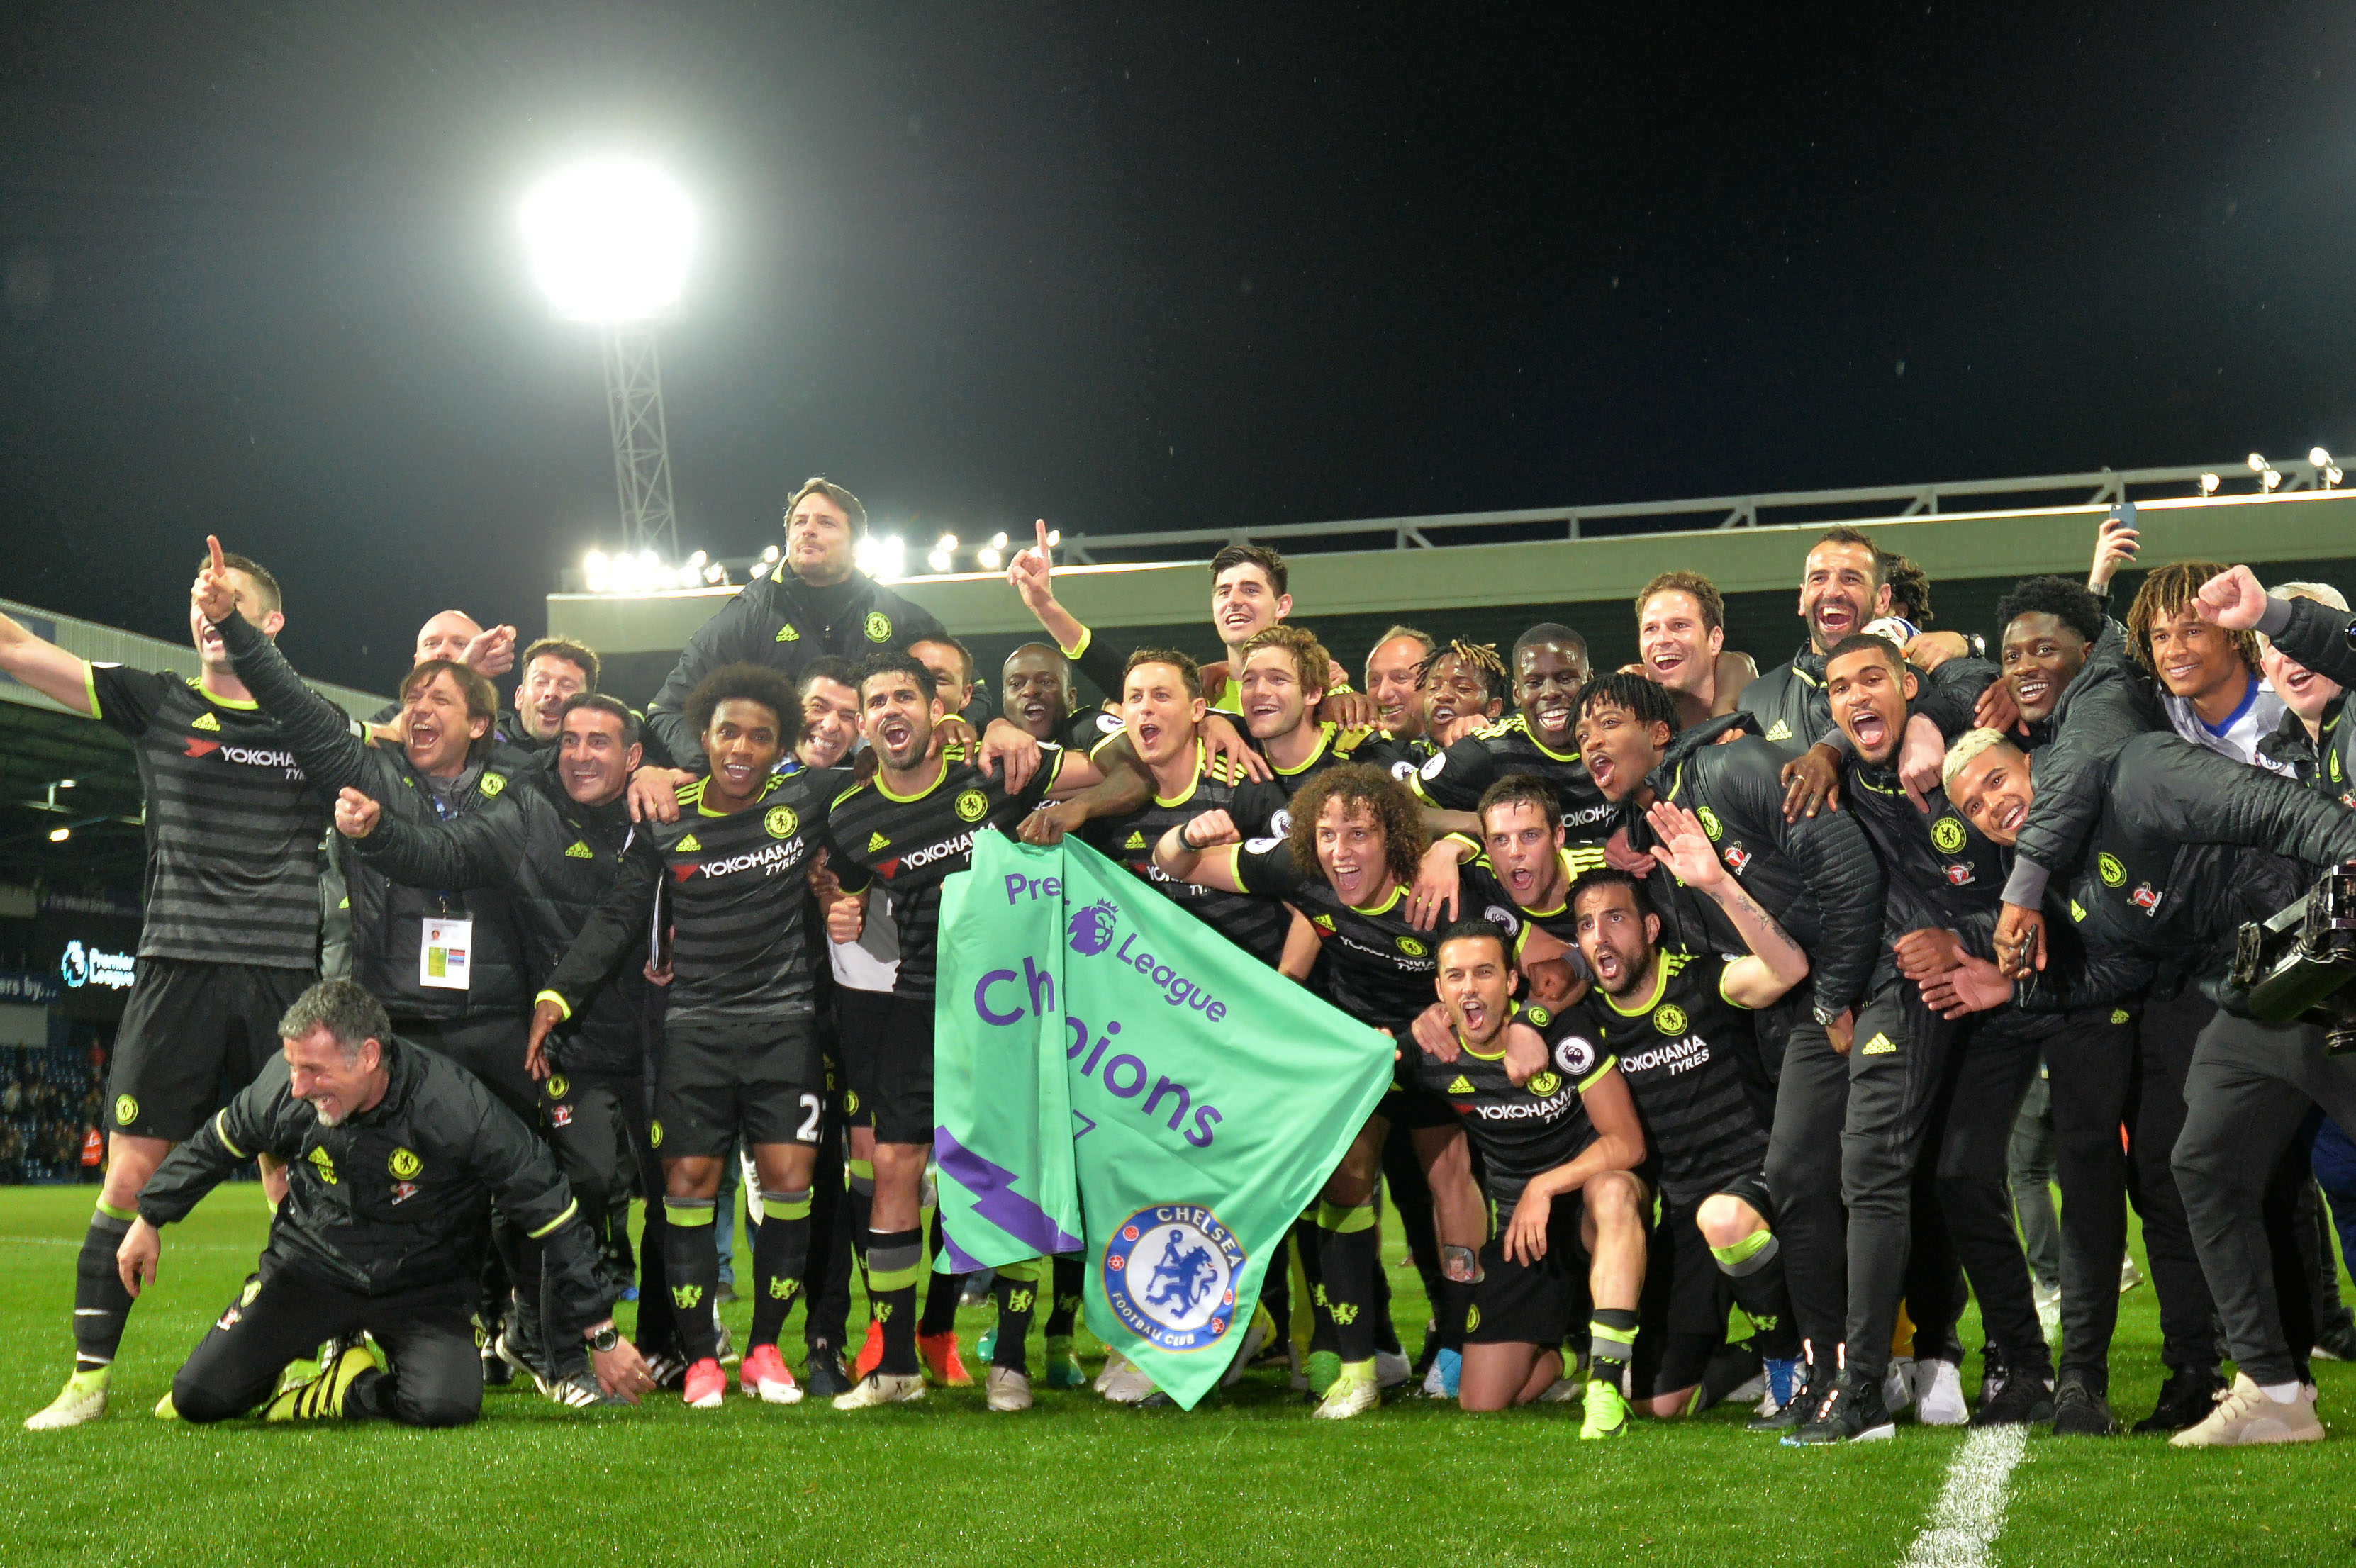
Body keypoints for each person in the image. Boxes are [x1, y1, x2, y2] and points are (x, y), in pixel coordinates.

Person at [1944, 717, 2356, 1446]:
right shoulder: (2067, 883)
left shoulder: (2134, 773)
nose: (1991, 808)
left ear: (2038, 763)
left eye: (1996, 781)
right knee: (2200, 1162)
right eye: (1971, 808)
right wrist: (2007, 991)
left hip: (2319, 957)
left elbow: (2274, 810)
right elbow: (2126, 969)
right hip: (2250, 992)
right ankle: (2273, 1391)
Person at [9, 542, 322, 1430]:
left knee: (296, 1182)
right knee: (130, 1178)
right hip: (176, 976)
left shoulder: (311, 721)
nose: (208, 611)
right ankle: (87, 1379)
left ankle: (315, 1356)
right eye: (198, 598)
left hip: (284, 986)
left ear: (270, 623)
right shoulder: (157, 701)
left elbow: (427, 747)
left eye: (227, 600)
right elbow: (19, 650)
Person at [818, 652, 1146, 1412]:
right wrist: (843, 909)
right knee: (895, 1166)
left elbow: (1125, 767)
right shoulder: (851, 817)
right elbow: (852, 894)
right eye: (877, 701)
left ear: (938, 710)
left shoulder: (993, 772)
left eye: (906, 694)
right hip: (917, 1002)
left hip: (1007, 1009)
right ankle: (895, 1363)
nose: (891, 709)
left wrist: (1059, 790)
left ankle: (1012, 1363)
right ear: (863, 720)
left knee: (1006, 1173)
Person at [327, 691, 675, 1404]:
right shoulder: (525, 808)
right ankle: (550, 1350)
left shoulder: (657, 812)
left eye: (600, 742)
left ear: (634, 756)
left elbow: (622, 915)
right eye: (570, 740)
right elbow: (442, 851)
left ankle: (676, 1346)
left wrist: (672, 774)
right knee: (574, 1188)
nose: (580, 754)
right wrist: (375, 830)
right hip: (562, 1044)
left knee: (675, 1195)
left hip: (655, 1036)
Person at [1573, 670, 1888, 1436]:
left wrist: (1836, 995)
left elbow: (1845, 871)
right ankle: (1826, 1375)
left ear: (1656, 733)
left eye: (1606, 723)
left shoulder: (1728, 766)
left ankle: (1868, 1379)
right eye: (1581, 735)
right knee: (1806, 1186)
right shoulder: (1655, 830)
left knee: (1876, 1185)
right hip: (1803, 1015)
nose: (1589, 742)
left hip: (1853, 996)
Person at [518, 666, 836, 1411]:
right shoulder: (666, 811)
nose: (742, 747)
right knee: (687, 1191)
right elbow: (620, 913)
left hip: (785, 1029)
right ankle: (700, 1361)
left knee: (790, 1186)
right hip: (694, 1032)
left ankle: (764, 1350)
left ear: (778, 746)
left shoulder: (807, 799)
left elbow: (888, 784)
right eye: (728, 731)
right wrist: (556, 995)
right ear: (704, 736)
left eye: (761, 736)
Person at [126, 979, 652, 1426]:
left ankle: (346, 1390)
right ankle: (308, 1352)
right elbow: (217, 1145)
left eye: (314, 1069)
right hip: (311, 1268)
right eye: (292, 1065)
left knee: (446, 1405)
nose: (298, 1085)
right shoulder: (284, 1091)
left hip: (425, 1285)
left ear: (370, 1057)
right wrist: (151, 1216)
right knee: (201, 1398)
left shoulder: (455, 1106)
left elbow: (550, 1206)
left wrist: (600, 1337)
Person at [1153, 764, 1487, 1419]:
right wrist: (1188, 832)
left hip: (1437, 1043)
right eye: (1328, 833)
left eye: (1358, 834)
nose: (1340, 852)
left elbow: (1519, 942)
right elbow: (1175, 863)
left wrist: (1457, 847)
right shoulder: (1296, 865)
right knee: (1343, 1180)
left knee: (1449, 1177)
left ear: (1393, 838)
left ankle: (1458, 1342)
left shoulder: (1442, 887)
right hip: (1354, 1047)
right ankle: (1358, 1368)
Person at [1973, 575, 2221, 1431]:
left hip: (2168, 981)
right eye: (2011, 656)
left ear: (2087, 650)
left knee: (2163, 1175)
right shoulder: (2050, 732)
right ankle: (2081, 1377)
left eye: (2044, 648)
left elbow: (2073, 777)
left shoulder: (2101, 712)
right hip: (2092, 1005)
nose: (2026, 665)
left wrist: (2021, 899)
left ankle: (2196, 1369)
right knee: (2085, 1175)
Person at [1821, 632, 2059, 1430]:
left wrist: (1965, 938)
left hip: (2050, 985)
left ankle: (2126, 1364)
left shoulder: (1967, 740)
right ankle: (2013, 1360)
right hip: (1958, 993)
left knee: (2111, 1167)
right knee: (1951, 1174)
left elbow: (1969, 669)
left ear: (1909, 688)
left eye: (1870, 681)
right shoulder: (1841, 774)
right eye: (1836, 690)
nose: (1853, 697)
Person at [1558, 817, 1811, 1428]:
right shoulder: (1587, 1021)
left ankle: (1790, 1365)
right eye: (1587, 927)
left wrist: (1720, 887)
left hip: (1758, 1183)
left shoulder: (1698, 977)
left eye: (1615, 918)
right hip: (1680, 1208)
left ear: (1650, 927)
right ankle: (1753, 1353)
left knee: (1723, 1217)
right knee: (1659, 1403)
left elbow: (1788, 971)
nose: (1600, 938)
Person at [1412, 922, 1648, 1429]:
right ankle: (1571, 1356)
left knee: (1610, 1192)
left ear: (1511, 982)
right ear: (1438, 990)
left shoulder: (1562, 1034)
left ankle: (1605, 1386)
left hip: (1588, 1212)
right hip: (1522, 1233)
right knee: (1480, 1402)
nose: (1468, 988)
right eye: (1454, 977)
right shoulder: (1431, 1058)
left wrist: (1545, 1185)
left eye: (1483, 973)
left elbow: (1627, 1143)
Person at [640, 476, 948, 782]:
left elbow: (967, 686)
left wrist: (954, 722)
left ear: (856, 546)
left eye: (826, 523)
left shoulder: (896, 614)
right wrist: (725, 767)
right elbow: (664, 711)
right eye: (800, 522)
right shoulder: (749, 615)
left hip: (869, 793)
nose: (809, 530)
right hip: (770, 804)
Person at [1412, 625, 1612, 843]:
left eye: (1565, 679)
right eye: (1534, 683)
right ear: (1518, 693)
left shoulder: (1617, 738)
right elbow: (1393, 806)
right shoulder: (1487, 748)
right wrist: (1476, 823)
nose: (1550, 692)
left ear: (1589, 681)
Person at [1634, 571, 1760, 728]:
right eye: (1651, 628)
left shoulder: (1766, 714)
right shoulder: (1630, 723)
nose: (1661, 639)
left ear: (1715, 640)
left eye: (1680, 625)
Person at [1364, 625, 1438, 753]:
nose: (1383, 694)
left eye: (1400, 678)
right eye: (1375, 680)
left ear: (1432, 685)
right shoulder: (1352, 756)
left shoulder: (1459, 750)